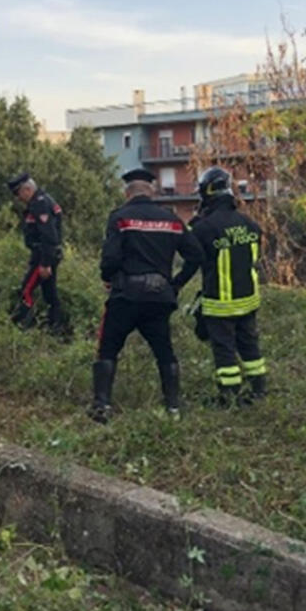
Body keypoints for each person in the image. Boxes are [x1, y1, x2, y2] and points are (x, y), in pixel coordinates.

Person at [91, 168, 205, 422]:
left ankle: (102, 406)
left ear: (127, 192)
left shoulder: (120, 218)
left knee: (108, 349)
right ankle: (173, 407)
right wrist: (175, 284)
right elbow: (196, 255)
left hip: (126, 296)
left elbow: (110, 258)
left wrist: (108, 278)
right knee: (164, 351)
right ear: (152, 191)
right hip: (159, 297)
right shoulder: (172, 220)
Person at [174, 166, 267, 406]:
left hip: (220, 303)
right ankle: (259, 391)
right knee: (249, 346)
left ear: (207, 193)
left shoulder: (204, 228)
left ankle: (229, 396)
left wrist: (175, 285)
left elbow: (193, 260)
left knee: (224, 350)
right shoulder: (250, 224)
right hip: (249, 300)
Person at [6, 171, 68, 336]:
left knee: (26, 291)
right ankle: (55, 330)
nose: (18, 198)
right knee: (49, 294)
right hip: (47, 255)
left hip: (43, 256)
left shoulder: (39, 204)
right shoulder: (43, 200)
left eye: (18, 193)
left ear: (27, 189)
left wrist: (45, 263)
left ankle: (20, 329)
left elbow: (49, 236)